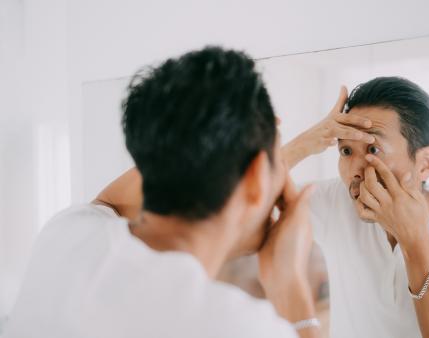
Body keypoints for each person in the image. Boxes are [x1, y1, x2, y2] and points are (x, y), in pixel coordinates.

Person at [4, 47, 369, 338]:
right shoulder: (235, 326)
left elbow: (143, 179)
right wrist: (289, 284)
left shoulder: (68, 234)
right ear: (257, 177)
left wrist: (277, 153)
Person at [283, 77, 429, 338]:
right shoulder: (335, 200)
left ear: (425, 164)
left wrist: (414, 243)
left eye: (373, 148)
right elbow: (235, 202)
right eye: (346, 151)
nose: (354, 172)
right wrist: (302, 144)